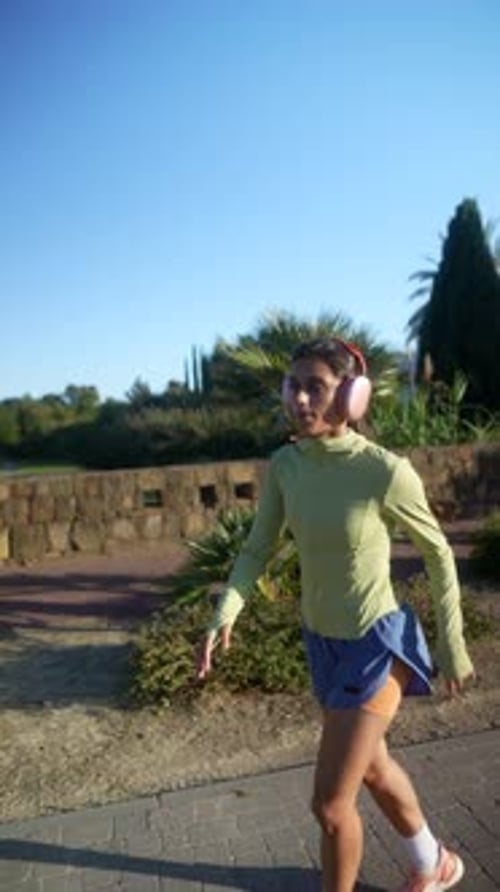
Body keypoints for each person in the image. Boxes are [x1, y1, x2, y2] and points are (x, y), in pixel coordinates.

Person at [196, 337, 474, 892]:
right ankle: (433, 861)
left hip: (376, 643)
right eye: (292, 385)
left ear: (352, 395)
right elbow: (257, 548)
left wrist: (452, 643)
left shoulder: (383, 471)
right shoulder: (285, 466)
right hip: (322, 643)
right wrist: (227, 609)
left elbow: (438, 553)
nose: (299, 398)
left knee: (329, 805)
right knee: (371, 768)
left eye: (315, 387)